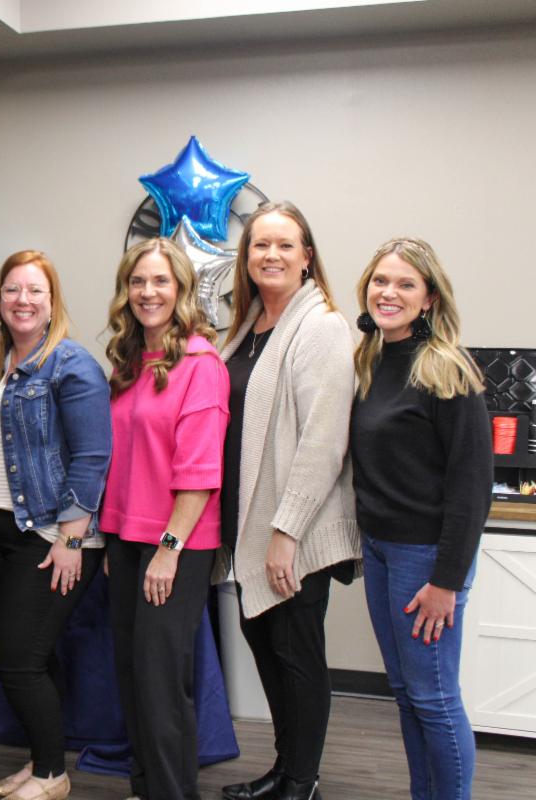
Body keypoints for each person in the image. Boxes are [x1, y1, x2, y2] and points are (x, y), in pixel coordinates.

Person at [217, 201, 360, 800]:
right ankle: (286, 770)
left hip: (293, 532)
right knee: (269, 653)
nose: (271, 255)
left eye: (284, 245)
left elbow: (323, 443)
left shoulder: (320, 327)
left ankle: (301, 782)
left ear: (307, 257)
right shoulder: (246, 330)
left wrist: (287, 532)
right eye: (260, 245)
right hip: (247, 528)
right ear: (246, 257)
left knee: (297, 657)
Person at [0, 250, 111, 800]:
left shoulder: (72, 365)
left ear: (52, 302)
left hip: (50, 537)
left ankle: (52, 777)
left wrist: (72, 538)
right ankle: (42, 762)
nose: (22, 300)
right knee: (35, 658)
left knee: (19, 662)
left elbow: (92, 458)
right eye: (11, 290)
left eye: (34, 291)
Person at [350, 238, 491, 800]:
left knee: (434, 698)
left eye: (406, 284)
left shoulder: (447, 369)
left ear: (429, 298)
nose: (389, 293)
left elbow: (471, 488)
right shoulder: (371, 360)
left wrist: (446, 582)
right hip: (381, 549)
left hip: (428, 559)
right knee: (407, 694)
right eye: (381, 281)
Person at [100, 238, 229, 800]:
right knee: (133, 675)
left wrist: (167, 550)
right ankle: (146, 787)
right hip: (126, 540)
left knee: (161, 684)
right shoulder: (129, 363)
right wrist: (113, 540)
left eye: (160, 281)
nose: (147, 292)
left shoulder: (201, 364)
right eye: (137, 281)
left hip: (176, 544)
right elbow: (122, 460)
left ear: (181, 289)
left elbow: (199, 472)